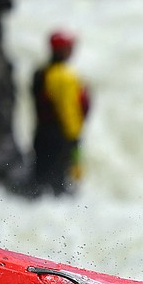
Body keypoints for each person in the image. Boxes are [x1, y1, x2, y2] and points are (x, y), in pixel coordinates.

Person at [31, 30, 89, 195]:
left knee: (41, 183)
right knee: (60, 187)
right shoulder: (64, 77)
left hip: (41, 134)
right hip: (60, 138)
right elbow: (68, 110)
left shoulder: (40, 73)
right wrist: (74, 139)